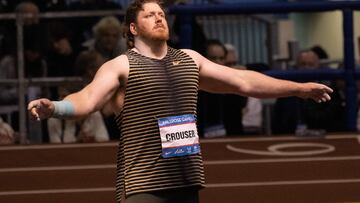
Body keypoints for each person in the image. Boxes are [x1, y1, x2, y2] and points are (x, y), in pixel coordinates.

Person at [28, 1, 333, 202]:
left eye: (161, 14)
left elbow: (244, 81)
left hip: (186, 179)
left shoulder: (189, 59)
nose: (159, 17)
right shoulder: (122, 65)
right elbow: (88, 100)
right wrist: (55, 107)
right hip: (144, 184)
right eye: (150, 15)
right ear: (133, 29)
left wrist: (297, 88)